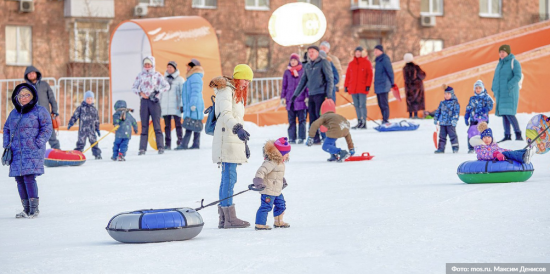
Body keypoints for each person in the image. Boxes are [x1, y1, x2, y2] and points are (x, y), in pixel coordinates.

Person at [210, 64, 253, 229]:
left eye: (248, 81)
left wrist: (244, 145)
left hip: (232, 140)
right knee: (229, 178)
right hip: (226, 139)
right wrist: (237, 129)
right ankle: (229, 218)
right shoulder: (226, 91)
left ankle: (224, 218)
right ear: (236, 77)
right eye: (244, 79)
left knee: (228, 178)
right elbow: (226, 115)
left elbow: (237, 118)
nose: (246, 83)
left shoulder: (236, 94)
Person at [3, 83, 53, 219]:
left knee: (29, 177)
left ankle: (34, 209)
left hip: (32, 151)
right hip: (16, 151)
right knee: (19, 179)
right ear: (16, 97)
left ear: (32, 96)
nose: (23, 98)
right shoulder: (13, 113)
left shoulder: (40, 111)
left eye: (27, 95)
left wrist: (38, 142)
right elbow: (6, 128)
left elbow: (47, 128)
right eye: (21, 95)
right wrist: (7, 144)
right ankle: (26, 209)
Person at [291, 45, 334, 144]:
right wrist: (295, 94)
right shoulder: (308, 65)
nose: (311, 54)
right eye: (309, 52)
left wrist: (329, 95)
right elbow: (303, 81)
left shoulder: (323, 62)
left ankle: (327, 137)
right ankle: (316, 138)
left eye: (313, 52)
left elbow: (329, 79)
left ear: (317, 53)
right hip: (312, 94)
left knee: (322, 117)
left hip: (321, 93)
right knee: (312, 117)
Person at [249, 137, 291, 230]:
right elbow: (261, 171)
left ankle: (278, 222)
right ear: (280, 153)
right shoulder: (271, 162)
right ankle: (260, 224)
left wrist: (282, 181)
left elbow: (276, 175)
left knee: (281, 205)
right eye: (286, 153)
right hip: (268, 190)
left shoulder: (280, 162)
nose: (288, 155)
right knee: (266, 207)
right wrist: (258, 182)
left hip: (277, 190)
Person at [132, 56, 170, 155]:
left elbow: (167, 86)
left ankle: (160, 147)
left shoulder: (157, 75)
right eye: (145, 64)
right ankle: (142, 148)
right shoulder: (140, 75)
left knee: (157, 125)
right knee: (144, 125)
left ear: (152, 64)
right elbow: (134, 87)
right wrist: (140, 93)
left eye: (149, 64)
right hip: (144, 102)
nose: (147, 66)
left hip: (154, 102)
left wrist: (158, 91)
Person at [491, 44, 523, 143]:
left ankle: (518, 135)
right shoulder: (500, 64)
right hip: (501, 94)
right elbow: (496, 78)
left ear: (508, 52)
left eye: (503, 52)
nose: (501, 54)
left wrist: (509, 86)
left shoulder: (514, 62)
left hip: (510, 93)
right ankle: (507, 135)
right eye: (500, 52)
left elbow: (518, 76)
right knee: (504, 114)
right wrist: (494, 89)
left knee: (509, 113)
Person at [24, 66, 60, 149]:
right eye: (29, 74)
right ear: (27, 76)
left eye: (33, 73)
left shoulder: (44, 85)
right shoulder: (25, 87)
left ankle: (57, 152)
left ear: (36, 73)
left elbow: (52, 99)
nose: (31, 75)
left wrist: (55, 112)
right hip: (32, 117)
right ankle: (35, 155)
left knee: (51, 135)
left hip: (45, 116)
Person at [471, 122, 535, 164]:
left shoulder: (493, 146)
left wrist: (509, 150)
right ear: (482, 139)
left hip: (501, 155)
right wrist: (495, 154)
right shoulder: (480, 147)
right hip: (495, 158)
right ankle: (523, 156)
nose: (487, 139)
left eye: (489, 137)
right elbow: (483, 154)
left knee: (510, 152)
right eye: (484, 138)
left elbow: (501, 150)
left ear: (492, 138)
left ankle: (526, 152)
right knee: (507, 154)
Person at [177, 59, 205, 150]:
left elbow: (195, 92)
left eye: (188, 67)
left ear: (193, 67)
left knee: (190, 124)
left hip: (194, 105)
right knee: (194, 124)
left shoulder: (195, 77)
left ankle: (184, 145)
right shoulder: (192, 77)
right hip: (193, 104)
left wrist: (193, 104)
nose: (187, 68)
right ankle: (195, 144)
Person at [281, 53, 307, 144]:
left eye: (294, 60)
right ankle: (292, 137)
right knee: (291, 120)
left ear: (298, 61)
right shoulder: (287, 72)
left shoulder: (303, 71)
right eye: (291, 60)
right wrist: (282, 97)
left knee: (302, 120)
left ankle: (301, 137)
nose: (292, 62)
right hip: (290, 100)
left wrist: (307, 97)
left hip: (301, 99)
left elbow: (306, 85)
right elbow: (284, 85)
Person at [67, 91, 102, 160]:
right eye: (88, 98)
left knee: (94, 142)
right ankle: (77, 154)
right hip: (82, 130)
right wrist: (71, 123)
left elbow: (96, 120)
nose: (89, 100)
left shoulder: (94, 109)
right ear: (85, 99)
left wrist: (97, 129)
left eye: (91, 98)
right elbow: (75, 116)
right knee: (80, 143)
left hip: (91, 130)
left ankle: (97, 154)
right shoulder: (80, 108)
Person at [345, 46, 373, 129]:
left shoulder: (366, 63)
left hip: (362, 87)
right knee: (356, 105)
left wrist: (368, 85)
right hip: (353, 87)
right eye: (356, 52)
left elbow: (370, 75)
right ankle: (359, 121)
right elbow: (348, 75)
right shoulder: (351, 64)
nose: (358, 53)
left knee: (362, 105)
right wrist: (346, 86)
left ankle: (364, 121)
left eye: (359, 52)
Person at [160, 61, 184, 150]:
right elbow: (161, 93)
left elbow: (182, 93)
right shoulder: (163, 79)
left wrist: (182, 105)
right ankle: (167, 144)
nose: (169, 69)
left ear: (175, 68)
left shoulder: (180, 79)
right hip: (165, 106)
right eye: (168, 67)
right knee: (167, 126)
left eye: (171, 67)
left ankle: (180, 142)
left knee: (178, 124)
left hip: (176, 106)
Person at [465, 80, 494, 153]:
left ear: (483, 88)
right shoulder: (472, 98)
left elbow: (491, 104)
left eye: (479, 88)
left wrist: (486, 108)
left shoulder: (486, 97)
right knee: (471, 132)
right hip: (473, 119)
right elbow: (469, 107)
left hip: (483, 119)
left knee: (482, 133)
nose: (478, 90)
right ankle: (471, 147)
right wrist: (467, 115)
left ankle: (483, 146)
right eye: (476, 88)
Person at [434, 85, 460, 154]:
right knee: (442, 137)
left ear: (452, 94)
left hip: (450, 123)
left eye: (448, 94)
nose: (447, 95)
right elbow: (438, 111)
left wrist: (455, 119)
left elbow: (456, 112)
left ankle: (455, 148)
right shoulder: (442, 103)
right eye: (445, 94)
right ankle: (441, 148)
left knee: (453, 136)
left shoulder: (455, 103)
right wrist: (436, 119)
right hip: (442, 123)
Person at [373, 45, 395, 124]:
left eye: (376, 50)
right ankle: (383, 118)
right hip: (378, 85)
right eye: (374, 50)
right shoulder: (377, 60)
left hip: (384, 84)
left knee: (384, 103)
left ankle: (385, 119)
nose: (375, 52)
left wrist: (392, 83)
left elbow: (390, 71)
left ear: (381, 51)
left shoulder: (385, 59)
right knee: (380, 103)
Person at [402, 53, 426, 119]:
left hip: (408, 87)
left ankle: (410, 115)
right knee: (416, 100)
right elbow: (422, 75)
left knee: (410, 101)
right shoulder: (416, 67)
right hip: (417, 87)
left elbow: (405, 79)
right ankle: (415, 115)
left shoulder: (404, 68)